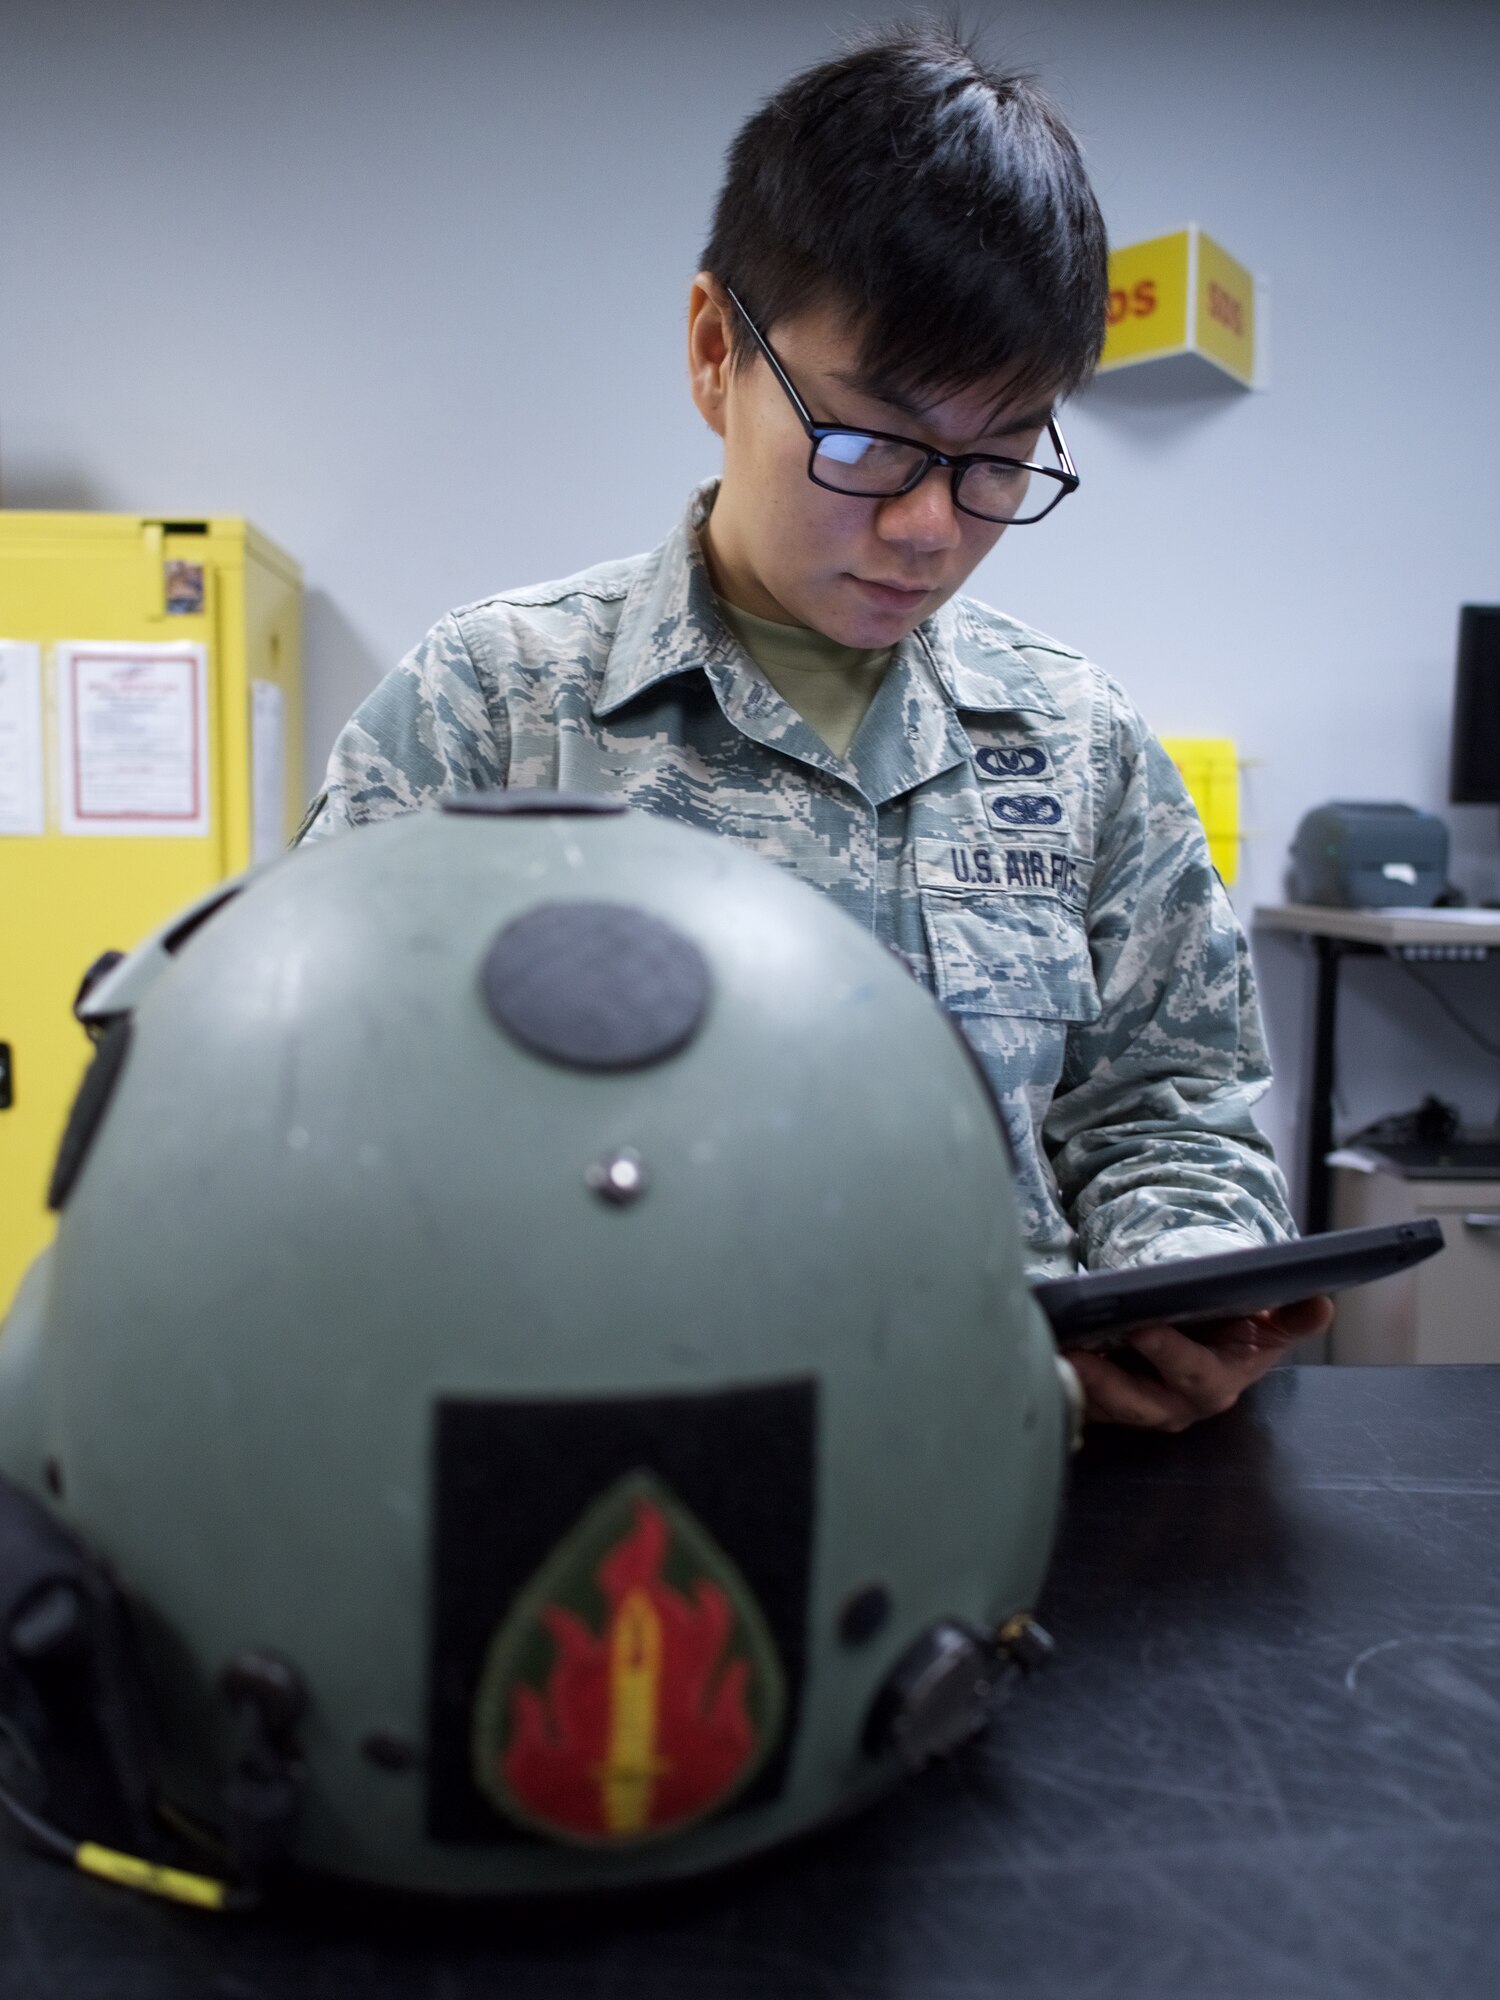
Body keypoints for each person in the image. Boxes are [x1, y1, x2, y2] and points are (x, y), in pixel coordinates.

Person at [296, 22, 1333, 1428]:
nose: (927, 528)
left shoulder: (1076, 743)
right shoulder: (495, 707)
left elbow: (1173, 1107)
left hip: (1042, 1474)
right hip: (615, 1478)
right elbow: (303, 1109)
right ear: (718, 350)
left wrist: (1185, 1284)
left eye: (998, 458)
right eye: (868, 442)